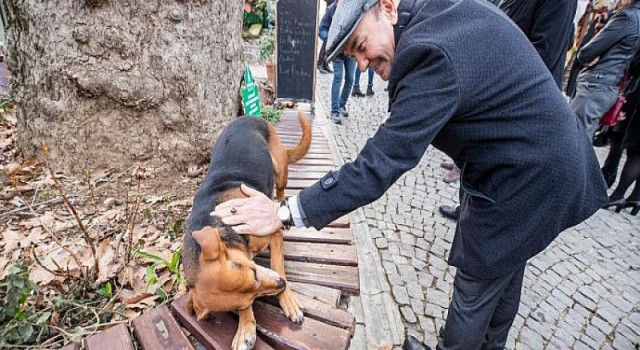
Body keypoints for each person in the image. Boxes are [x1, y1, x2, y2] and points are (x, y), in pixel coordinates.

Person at [212, 0, 607, 349]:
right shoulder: (437, 17)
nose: (363, 64)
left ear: (386, 7)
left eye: (361, 47)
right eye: (354, 57)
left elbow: (380, 163)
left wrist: (284, 213)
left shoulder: (429, 53)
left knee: (476, 283)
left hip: (527, 178)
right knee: (505, 268)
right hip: (531, 161)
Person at [438, 0, 579, 221]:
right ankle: (467, 212)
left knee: (504, 180)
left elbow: (546, 50)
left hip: (518, 99)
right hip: (495, 89)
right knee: (479, 162)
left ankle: (480, 225)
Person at [570, 0, 640, 140]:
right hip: (610, 84)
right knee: (581, 137)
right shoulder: (635, 17)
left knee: (574, 137)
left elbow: (587, 52)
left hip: (596, 83)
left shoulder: (626, 17)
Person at [319, 0, 356, 124]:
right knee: (338, 77)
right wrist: (331, 39)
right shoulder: (331, 9)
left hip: (350, 51)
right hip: (337, 52)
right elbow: (322, 29)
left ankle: (342, 105)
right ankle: (334, 111)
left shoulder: (353, 8)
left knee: (350, 78)